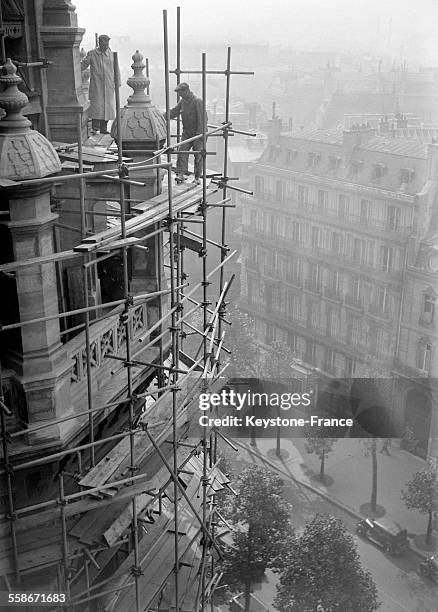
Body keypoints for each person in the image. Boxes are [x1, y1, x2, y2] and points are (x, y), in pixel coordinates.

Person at [169, 82, 207, 184]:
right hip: (187, 132)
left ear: (186, 91)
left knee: (198, 155)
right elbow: (173, 112)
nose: (180, 95)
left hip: (198, 133)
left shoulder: (197, 102)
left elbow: (202, 119)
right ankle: (181, 174)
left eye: (181, 93)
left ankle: (197, 177)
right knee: (182, 151)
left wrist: (200, 135)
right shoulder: (183, 102)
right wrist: (160, 117)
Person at [81, 34, 119, 134]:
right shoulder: (92, 54)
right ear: (99, 43)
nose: (106, 45)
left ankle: (104, 128)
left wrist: (117, 81)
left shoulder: (111, 54)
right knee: (96, 107)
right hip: (97, 85)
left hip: (109, 84)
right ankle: (95, 128)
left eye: (107, 43)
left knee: (107, 107)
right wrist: (75, 68)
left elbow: (116, 68)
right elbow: (83, 65)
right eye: (103, 43)